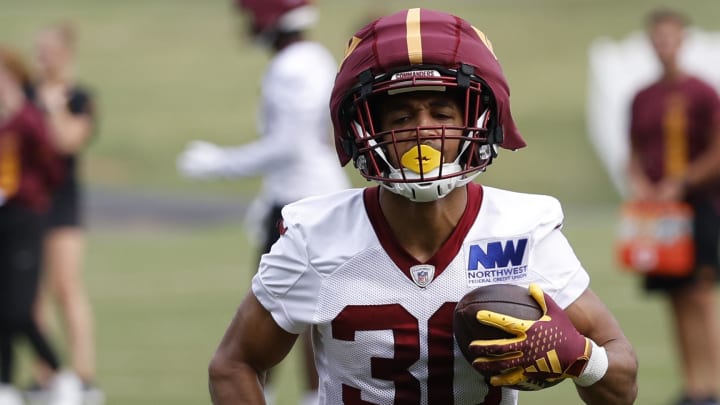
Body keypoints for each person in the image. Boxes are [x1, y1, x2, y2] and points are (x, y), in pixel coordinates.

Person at [207, 8, 638, 405]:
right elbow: (234, 365)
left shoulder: (522, 230)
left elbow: (622, 386)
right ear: (364, 129)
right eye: (400, 117)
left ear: (480, 120)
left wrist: (583, 359)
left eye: (442, 113)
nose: (421, 132)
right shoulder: (316, 236)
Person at [178, 0, 350, 403]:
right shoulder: (313, 58)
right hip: (308, 194)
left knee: (267, 317)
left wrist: (220, 163)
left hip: (299, 201)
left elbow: (288, 145)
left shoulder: (291, 67)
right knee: (309, 315)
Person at [626, 9, 720, 405]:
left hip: (697, 206)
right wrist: (642, 186)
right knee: (675, 298)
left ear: (682, 40)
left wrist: (680, 183)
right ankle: (693, 389)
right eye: (656, 38)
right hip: (657, 215)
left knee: (700, 295)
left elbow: (717, 151)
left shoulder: (703, 93)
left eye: (670, 37)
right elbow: (632, 152)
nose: (663, 45)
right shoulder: (642, 97)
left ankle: (713, 387)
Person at [0, 44, 82, 405]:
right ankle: (4, 384)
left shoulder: (28, 120)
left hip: (25, 218)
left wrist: (29, 193)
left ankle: (61, 376)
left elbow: (53, 168)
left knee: (19, 308)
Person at [28, 22, 103, 405]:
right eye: (40, 50)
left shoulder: (79, 98)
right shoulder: (26, 95)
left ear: (66, 53)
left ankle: (84, 374)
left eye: (51, 50)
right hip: (31, 200)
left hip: (63, 203)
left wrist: (53, 107)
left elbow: (66, 141)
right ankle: (48, 373)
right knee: (34, 293)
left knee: (67, 287)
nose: (44, 58)